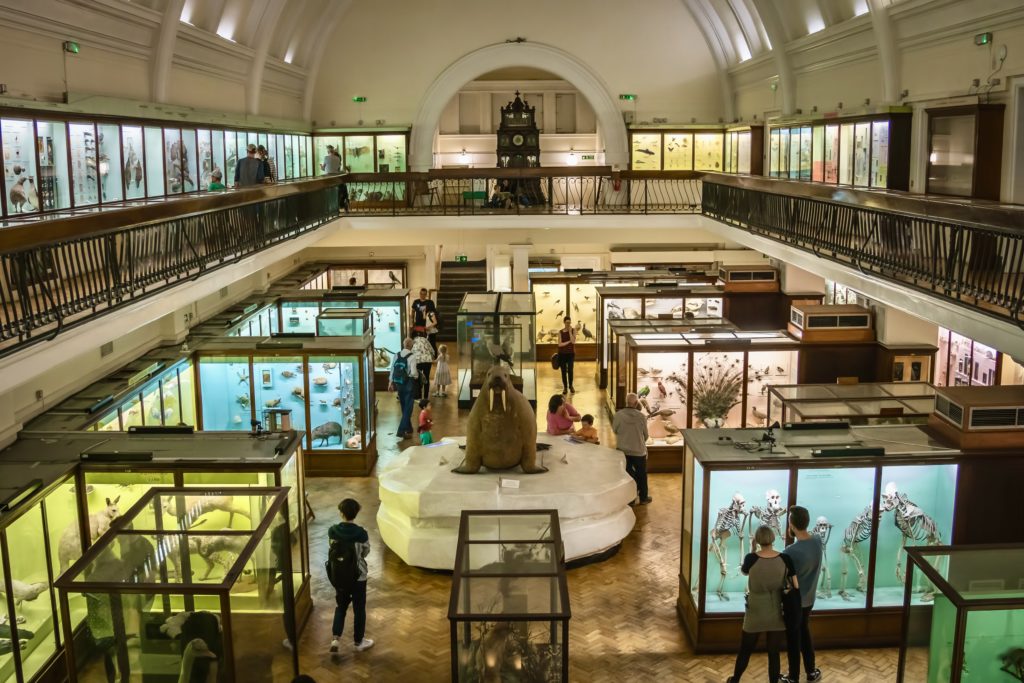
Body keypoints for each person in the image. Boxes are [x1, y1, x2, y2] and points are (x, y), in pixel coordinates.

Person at [728, 526, 797, 683]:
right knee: (774, 653)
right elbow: (794, 584)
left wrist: (752, 549)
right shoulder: (785, 558)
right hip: (776, 609)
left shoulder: (751, 558)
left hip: (756, 609)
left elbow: (745, 572)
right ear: (773, 538)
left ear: (757, 540)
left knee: (745, 649)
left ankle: (735, 679)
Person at [780, 506, 824, 683]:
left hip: (795, 602)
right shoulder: (818, 541)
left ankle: (793, 677)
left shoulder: (790, 552)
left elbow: (784, 579)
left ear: (791, 524)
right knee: (805, 632)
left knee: (793, 638)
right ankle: (811, 672)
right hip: (810, 599)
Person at [328, 498, 374, 654]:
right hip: (358, 576)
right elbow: (366, 552)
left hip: (339, 575)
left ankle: (335, 638)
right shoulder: (361, 533)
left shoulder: (333, 531)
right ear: (356, 513)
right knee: (359, 609)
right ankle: (358, 642)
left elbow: (332, 549)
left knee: (340, 606)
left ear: (341, 513)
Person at [612, 392, 651, 505]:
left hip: (623, 450)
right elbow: (646, 435)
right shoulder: (641, 416)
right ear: (636, 403)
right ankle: (643, 498)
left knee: (628, 475)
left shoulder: (618, 415)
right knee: (642, 474)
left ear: (626, 402)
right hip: (639, 450)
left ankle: (630, 499)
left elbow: (615, 430)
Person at [389, 338, 418, 439]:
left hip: (399, 383)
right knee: (408, 408)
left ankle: (408, 428)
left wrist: (390, 382)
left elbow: (392, 368)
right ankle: (401, 431)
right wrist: (417, 376)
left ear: (404, 344)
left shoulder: (396, 355)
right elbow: (413, 373)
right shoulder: (412, 357)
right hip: (409, 382)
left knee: (403, 405)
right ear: (412, 346)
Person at [557, 316, 577, 394]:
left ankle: (571, 386)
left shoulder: (573, 330)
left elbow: (573, 341)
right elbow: (560, 344)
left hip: (570, 354)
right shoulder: (560, 332)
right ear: (564, 322)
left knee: (571, 370)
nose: (568, 324)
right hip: (562, 354)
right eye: (567, 322)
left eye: (569, 322)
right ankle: (565, 387)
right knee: (563, 371)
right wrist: (568, 342)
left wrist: (569, 332)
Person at [412, 335, 435, 402]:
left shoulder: (414, 342)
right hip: (427, 360)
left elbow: (411, 352)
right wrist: (432, 357)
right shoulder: (426, 340)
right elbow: (432, 351)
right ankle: (426, 397)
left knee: (418, 378)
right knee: (426, 377)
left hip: (418, 361)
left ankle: (419, 396)